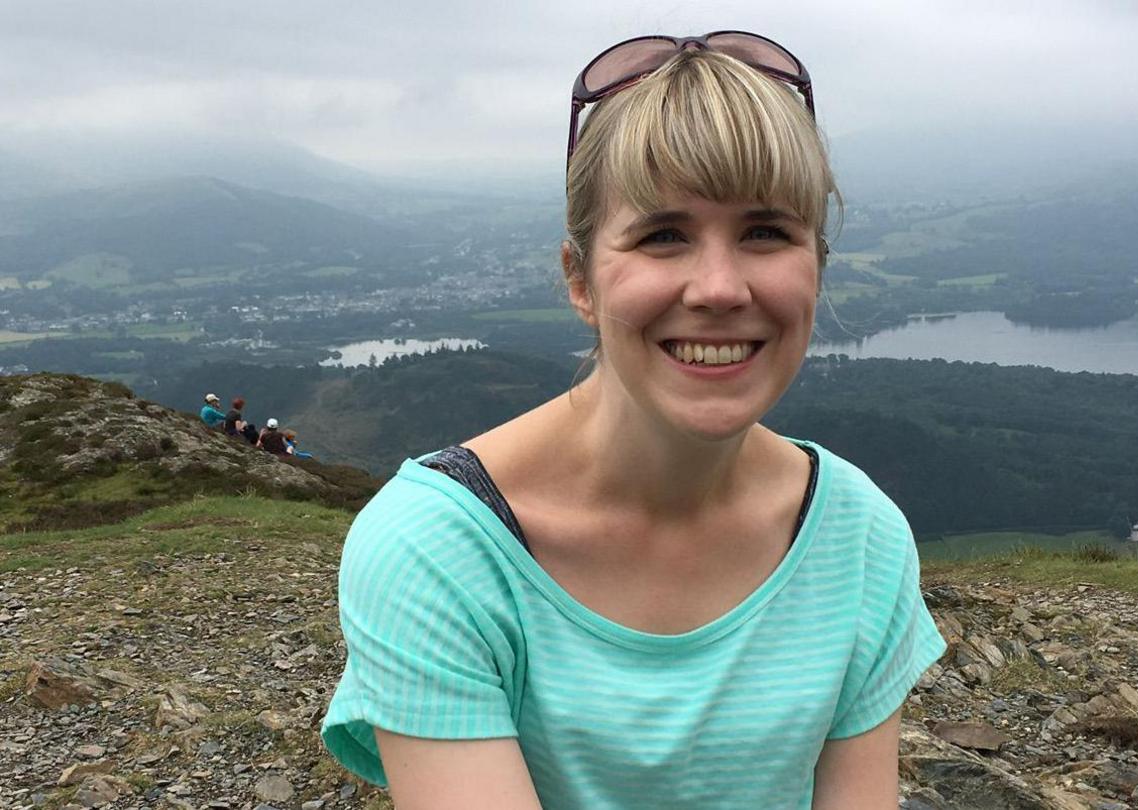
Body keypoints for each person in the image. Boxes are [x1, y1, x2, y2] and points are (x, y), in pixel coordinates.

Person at [321, 32, 945, 809]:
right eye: (663, 235)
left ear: (816, 262)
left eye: (765, 232)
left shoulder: (857, 536)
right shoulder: (438, 551)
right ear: (580, 280)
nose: (719, 288)